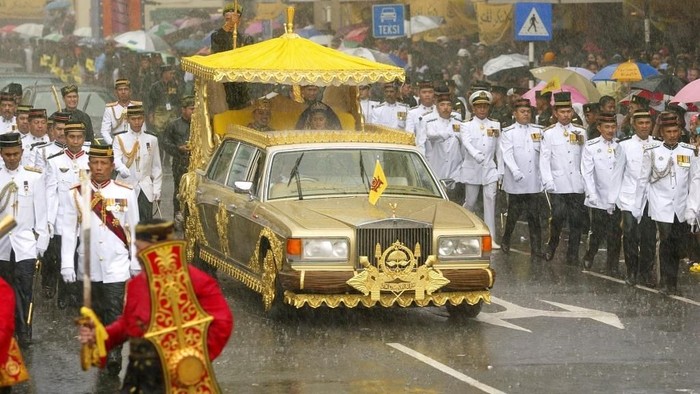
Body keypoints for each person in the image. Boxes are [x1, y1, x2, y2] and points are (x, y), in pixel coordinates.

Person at [78, 219, 233, 392]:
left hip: (182, 378)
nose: (136, 254)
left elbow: (223, 322)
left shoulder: (196, 281)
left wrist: (197, 357)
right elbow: (128, 325)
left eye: (140, 248)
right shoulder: (137, 284)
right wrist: (100, 336)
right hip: (141, 378)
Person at [60, 143, 140, 374]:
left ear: (112, 166)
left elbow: (133, 230)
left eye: (103, 163)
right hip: (89, 262)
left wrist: (134, 261)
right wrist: (66, 262)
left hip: (116, 262)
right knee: (95, 311)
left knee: (114, 309)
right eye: (94, 162)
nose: (98, 167)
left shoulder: (126, 192)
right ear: (88, 165)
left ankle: (114, 354)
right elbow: (67, 230)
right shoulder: (76, 193)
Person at [636, 112, 697, 295]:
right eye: (668, 131)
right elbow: (643, 180)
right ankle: (665, 282)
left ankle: (673, 282)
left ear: (680, 131)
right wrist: (638, 207)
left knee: (678, 245)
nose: (672, 134)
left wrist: (693, 207)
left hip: (681, 206)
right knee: (664, 242)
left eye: (675, 131)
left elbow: (695, 180)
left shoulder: (688, 151)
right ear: (661, 132)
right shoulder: (652, 151)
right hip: (660, 204)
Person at [0, 133, 48, 346]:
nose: (12, 158)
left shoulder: (34, 176)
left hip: (25, 242)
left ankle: (24, 329)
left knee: (24, 288)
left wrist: (42, 243)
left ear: (22, 152)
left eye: (16, 154)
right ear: (1, 154)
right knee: (5, 289)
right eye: (8, 154)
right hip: (1, 243)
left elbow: (42, 212)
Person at [608, 109, 661, 287]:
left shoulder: (658, 144)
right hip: (629, 197)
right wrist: (613, 200)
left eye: (647, 123)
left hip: (650, 197)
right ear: (634, 125)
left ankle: (646, 272)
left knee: (649, 237)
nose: (645, 126)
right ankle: (631, 271)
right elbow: (617, 174)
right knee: (630, 233)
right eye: (641, 123)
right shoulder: (624, 146)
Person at [46, 121, 90, 309]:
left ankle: (79, 295)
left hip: (85, 219)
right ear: (65, 137)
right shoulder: (55, 161)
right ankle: (63, 293)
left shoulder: (91, 160)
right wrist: (49, 220)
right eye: (71, 137)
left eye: (79, 137)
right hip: (63, 218)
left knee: (82, 257)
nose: (75, 141)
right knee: (63, 258)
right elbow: (50, 194)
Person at [540, 91, 587, 265]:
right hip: (558, 182)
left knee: (576, 220)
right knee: (558, 216)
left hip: (576, 182)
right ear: (555, 113)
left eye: (568, 111)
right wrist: (548, 180)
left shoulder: (581, 131)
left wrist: (586, 181)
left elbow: (585, 158)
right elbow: (544, 159)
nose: (566, 115)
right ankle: (552, 244)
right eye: (562, 112)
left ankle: (572, 253)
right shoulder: (549, 133)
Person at [455, 90, 502, 246]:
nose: (482, 110)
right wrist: (475, 154)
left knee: (490, 201)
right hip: (472, 168)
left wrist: (500, 170)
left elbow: (499, 150)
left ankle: (491, 238)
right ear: (473, 109)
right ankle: (464, 231)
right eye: (478, 107)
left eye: (485, 106)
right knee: (471, 202)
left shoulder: (495, 125)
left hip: (489, 169)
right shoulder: (466, 125)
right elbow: (467, 143)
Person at [499, 98, 544, 257]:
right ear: (514, 114)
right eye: (522, 112)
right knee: (514, 214)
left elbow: (543, 155)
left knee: (534, 215)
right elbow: (507, 154)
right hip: (516, 180)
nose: (526, 114)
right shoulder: (508, 132)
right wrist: (515, 170)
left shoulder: (538, 130)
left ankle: (536, 248)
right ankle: (506, 239)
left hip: (533, 180)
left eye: (528, 112)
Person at [580, 112, 623, 275]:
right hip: (598, 195)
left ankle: (612, 264)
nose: (610, 130)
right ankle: (590, 254)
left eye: (613, 126)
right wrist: (592, 194)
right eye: (607, 127)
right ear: (599, 128)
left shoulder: (621, 146)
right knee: (597, 230)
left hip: (617, 197)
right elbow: (587, 173)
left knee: (615, 232)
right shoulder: (591, 147)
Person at [113, 105, 163, 221]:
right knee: (123, 223)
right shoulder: (120, 138)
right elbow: (116, 159)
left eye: (139, 118)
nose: (137, 122)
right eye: (133, 119)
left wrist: (157, 189)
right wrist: (121, 168)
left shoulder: (152, 139)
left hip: (145, 188)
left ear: (143, 119)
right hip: (125, 186)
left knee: (145, 226)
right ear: (127, 119)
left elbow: (156, 167)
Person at [210, 3, 253, 109]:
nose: (232, 22)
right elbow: (217, 52)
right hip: (224, 81)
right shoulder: (217, 35)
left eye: (234, 19)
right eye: (228, 19)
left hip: (242, 80)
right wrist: (228, 25)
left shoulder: (246, 38)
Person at [162, 96, 194, 221]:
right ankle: (178, 215)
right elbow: (165, 143)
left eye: (196, 109)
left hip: (196, 164)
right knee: (180, 190)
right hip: (180, 163)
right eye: (191, 109)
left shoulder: (201, 125)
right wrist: (177, 149)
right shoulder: (174, 125)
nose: (194, 112)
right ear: (183, 110)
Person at [422, 88, 462, 182]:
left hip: (455, 169)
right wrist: (447, 134)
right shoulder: (429, 122)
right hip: (436, 166)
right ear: (437, 107)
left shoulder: (459, 123)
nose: (445, 108)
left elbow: (463, 146)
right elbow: (431, 135)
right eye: (442, 105)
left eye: (448, 105)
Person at [146, 65, 182, 143]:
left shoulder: (174, 85)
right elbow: (151, 101)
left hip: (171, 112)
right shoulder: (155, 86)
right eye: (170, 73)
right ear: (164, 74)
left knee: (171, 133)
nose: (172, 75)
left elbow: (178, 98)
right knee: (160, 134)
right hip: (160, 113)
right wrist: (151, 114)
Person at [100, 79, 142, 145]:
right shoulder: (110, 109)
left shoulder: (137, 107)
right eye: (120, 90)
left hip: (135, 142)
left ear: (130, 91)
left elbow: (143, 128)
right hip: (117, 142)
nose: (123, 92)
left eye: (126, 89)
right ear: (115, 92)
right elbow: (104, 131)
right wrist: (113, 144)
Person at [405, 80, 436, 154]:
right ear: (419, 94)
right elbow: (409, 134)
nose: (427, 95)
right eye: (424, 92)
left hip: (437, 153)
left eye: (430, 92)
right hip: (420, 152)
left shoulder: (439, 111)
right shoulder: (412, 113)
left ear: (434, 94)